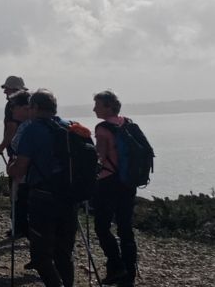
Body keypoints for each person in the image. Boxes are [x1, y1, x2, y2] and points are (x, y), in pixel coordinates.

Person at [9, 89, 77, 287]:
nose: (28, 111)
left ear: (36, 108)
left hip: (43, 198)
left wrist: (11, 168)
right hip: (69, 197)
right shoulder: (70, 126)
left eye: (30, 107)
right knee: (64, 253)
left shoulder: (32, 129)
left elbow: (19, 169)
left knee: (40, 256)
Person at [90, 90, 138, 286]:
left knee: (102, 226)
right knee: (125, 226)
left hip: (108, 181)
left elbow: (99, 157)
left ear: (109, 107)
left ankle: (116, 266)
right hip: (128, 181)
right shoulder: (128, 122)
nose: (94, 109)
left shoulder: (102, 129)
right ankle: (130, 271)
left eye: (98, 105)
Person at [0, 76, 31, 238]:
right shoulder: (32, 103)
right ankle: (28, 225)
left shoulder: (13, 104)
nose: (4, 91)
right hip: (31, 155)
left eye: (7, 88)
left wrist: (2, 146)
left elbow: (11, 128)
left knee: (16, 192)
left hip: (18, 154)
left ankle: (18, 227)